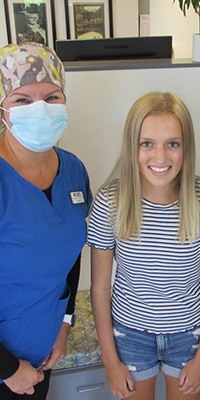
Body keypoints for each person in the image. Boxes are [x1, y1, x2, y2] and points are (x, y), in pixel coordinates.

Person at [87, 92, 200, 400]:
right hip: (130, 334)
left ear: (186, 147)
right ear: (132, 146)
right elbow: (99, 288)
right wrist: (111, 361)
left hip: (188, 334)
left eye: (173, 144)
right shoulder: (110, 202)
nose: (161, 157)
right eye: (147, 143)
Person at [0, 42, 92, 399]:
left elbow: (71, 250)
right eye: (22, 100)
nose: (40, 109)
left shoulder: (73, 169)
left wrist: (64, 323)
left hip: (41, 353)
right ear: (3, 110)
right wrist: (8, 369)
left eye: (52, 97)